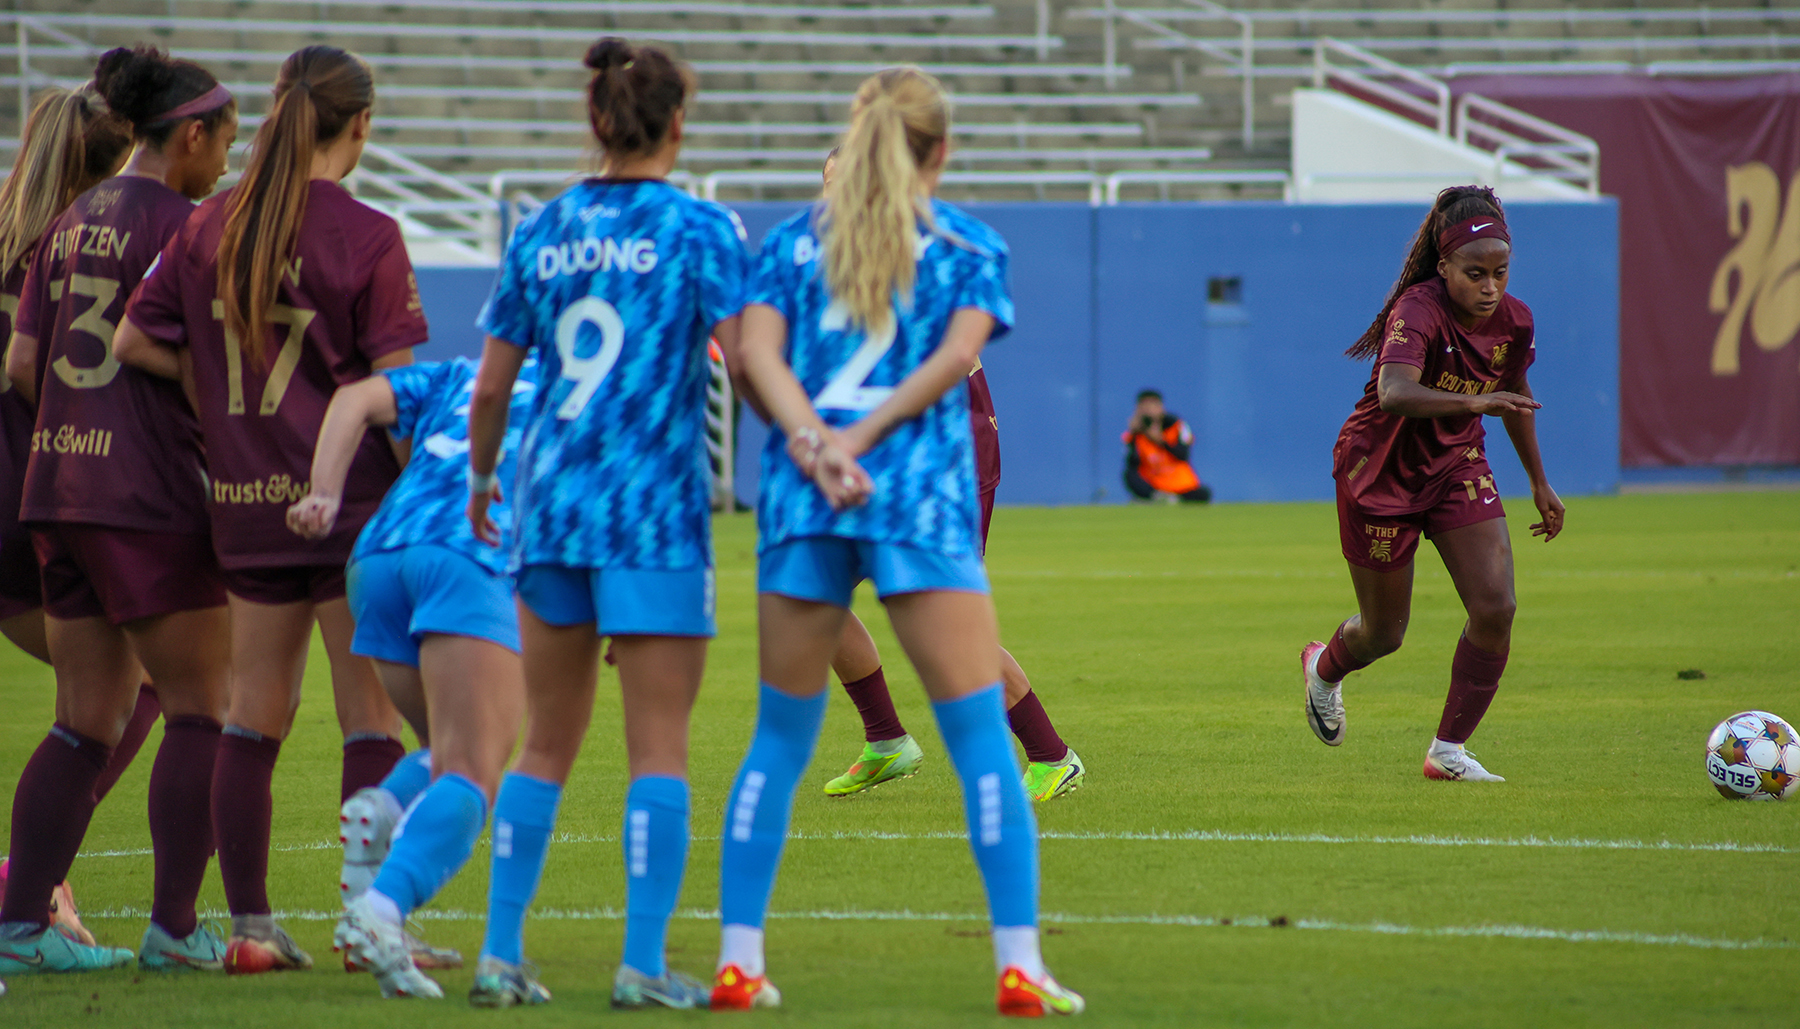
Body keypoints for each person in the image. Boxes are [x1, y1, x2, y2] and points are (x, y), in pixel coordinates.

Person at [712, 66, 1082, 1016]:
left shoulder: (795, 243)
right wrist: (866, 438)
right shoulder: (966, 243)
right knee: (977, 744)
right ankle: (1019, 965)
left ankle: (739, 961)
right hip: (916, 501)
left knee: (775, 744)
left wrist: (814, 440)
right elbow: (958, 355)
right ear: (941, 149)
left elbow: (752, 355)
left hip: (806, 502)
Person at [116, 44, 419, 973]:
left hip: (245, 501)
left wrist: (213, 393)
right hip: (351, 499)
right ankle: (370, 925)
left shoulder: (210, 226)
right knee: (371, 713)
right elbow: (397, 393)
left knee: (255, 713)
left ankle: (248, 927)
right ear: (358, 125)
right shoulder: (367, 234)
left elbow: (133, 339)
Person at [463, 37, 748, 1010]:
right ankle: (641, 964)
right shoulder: (702, 231)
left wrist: (481, 479)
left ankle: (500, 955)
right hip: (655, 516)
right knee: (657, 747)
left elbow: (494, 384)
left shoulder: (541, 229)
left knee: (543, 742)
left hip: (551, 508)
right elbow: (749, 364)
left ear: (594, 121)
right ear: (677, 123)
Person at [0, 47, 237, 975]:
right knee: (200, 709)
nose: (226, 157)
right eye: (222, 139)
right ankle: (176, 929)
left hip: (58, 491)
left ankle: (18, 929)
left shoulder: (66, 225)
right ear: (189, 135)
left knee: (82, 716)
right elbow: (214, 367)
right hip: (147, 494)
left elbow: (23, 368)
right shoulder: (192, 228)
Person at [784, 149, 1085, 803]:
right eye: (827, 184)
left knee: (937, 616)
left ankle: (1050, 754)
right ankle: (887, 738)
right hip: (878, 449)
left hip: (946, 449)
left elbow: (949, 361)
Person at [283, 355, 539, 999]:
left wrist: (325, 492)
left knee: (443, 750)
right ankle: (381, 910)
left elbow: (354, 400)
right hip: (467, 551)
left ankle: (385, 804)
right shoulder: (589, 377)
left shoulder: (468, 368)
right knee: (475, 772)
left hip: (378, 553)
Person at [1300, 185, 1564, 782]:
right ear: (1444, 267)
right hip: (1379, 475)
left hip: (1456, 467)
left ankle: (1448, 752)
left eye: (1499, 272)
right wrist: (1485, 399)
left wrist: (1539, 483)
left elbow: (1516, 398)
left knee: (1496, 607)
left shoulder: (1514, 320)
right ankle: (1325, 669)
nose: (1490, 286)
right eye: (1475, 273)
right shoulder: (1417, 310)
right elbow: (1394, 392)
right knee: (1384, 635)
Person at [0, 81, 152, 952]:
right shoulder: (85, 252)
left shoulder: (16, 243)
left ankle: (39, 886)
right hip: (42, 496)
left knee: (103, 702)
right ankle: (34, 888)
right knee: (114, 702)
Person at [1121, 389, 1209, 503]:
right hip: (1154, 483)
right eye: (1144, 407)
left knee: (1203, 493)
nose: (1148, 411)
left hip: (1178, 482)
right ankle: (1155, 497)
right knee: (1128, 475)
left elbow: (1183, 455)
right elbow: (1132, 463)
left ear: (1161, 407)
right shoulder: (1134, 434)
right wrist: (1133, 435)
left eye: (1152, 406)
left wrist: (1160, 440)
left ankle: (1174, 499)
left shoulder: (1177, 426)